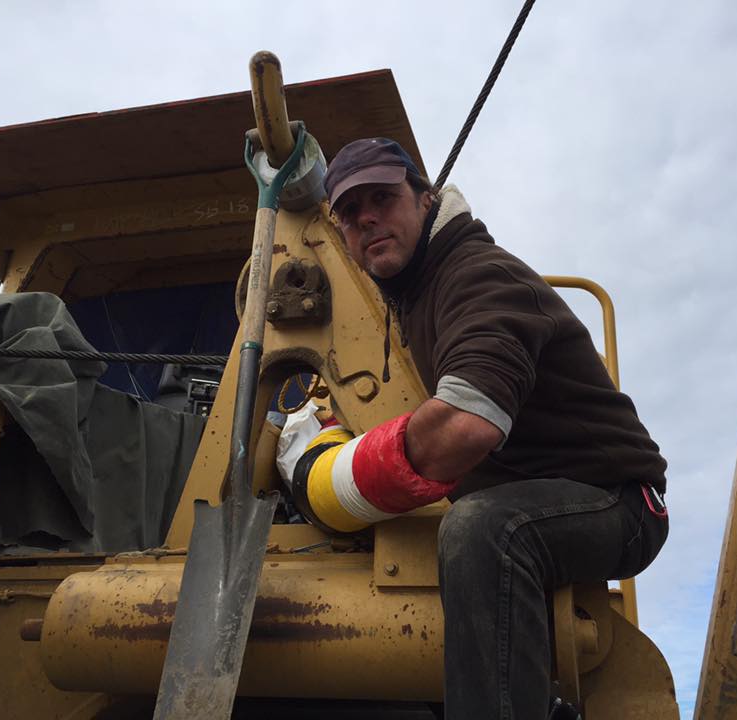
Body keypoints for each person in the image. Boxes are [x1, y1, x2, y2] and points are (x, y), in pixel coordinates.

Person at [285, 138, 669, 719]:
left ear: (425, 199)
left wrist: (345, 478)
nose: (367, 218)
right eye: (350, 210)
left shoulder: (475, 275)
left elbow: (464, 425)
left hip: (615, 502)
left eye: (384, 198)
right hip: (539, 494)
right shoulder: (409, 300)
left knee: (484, 530)